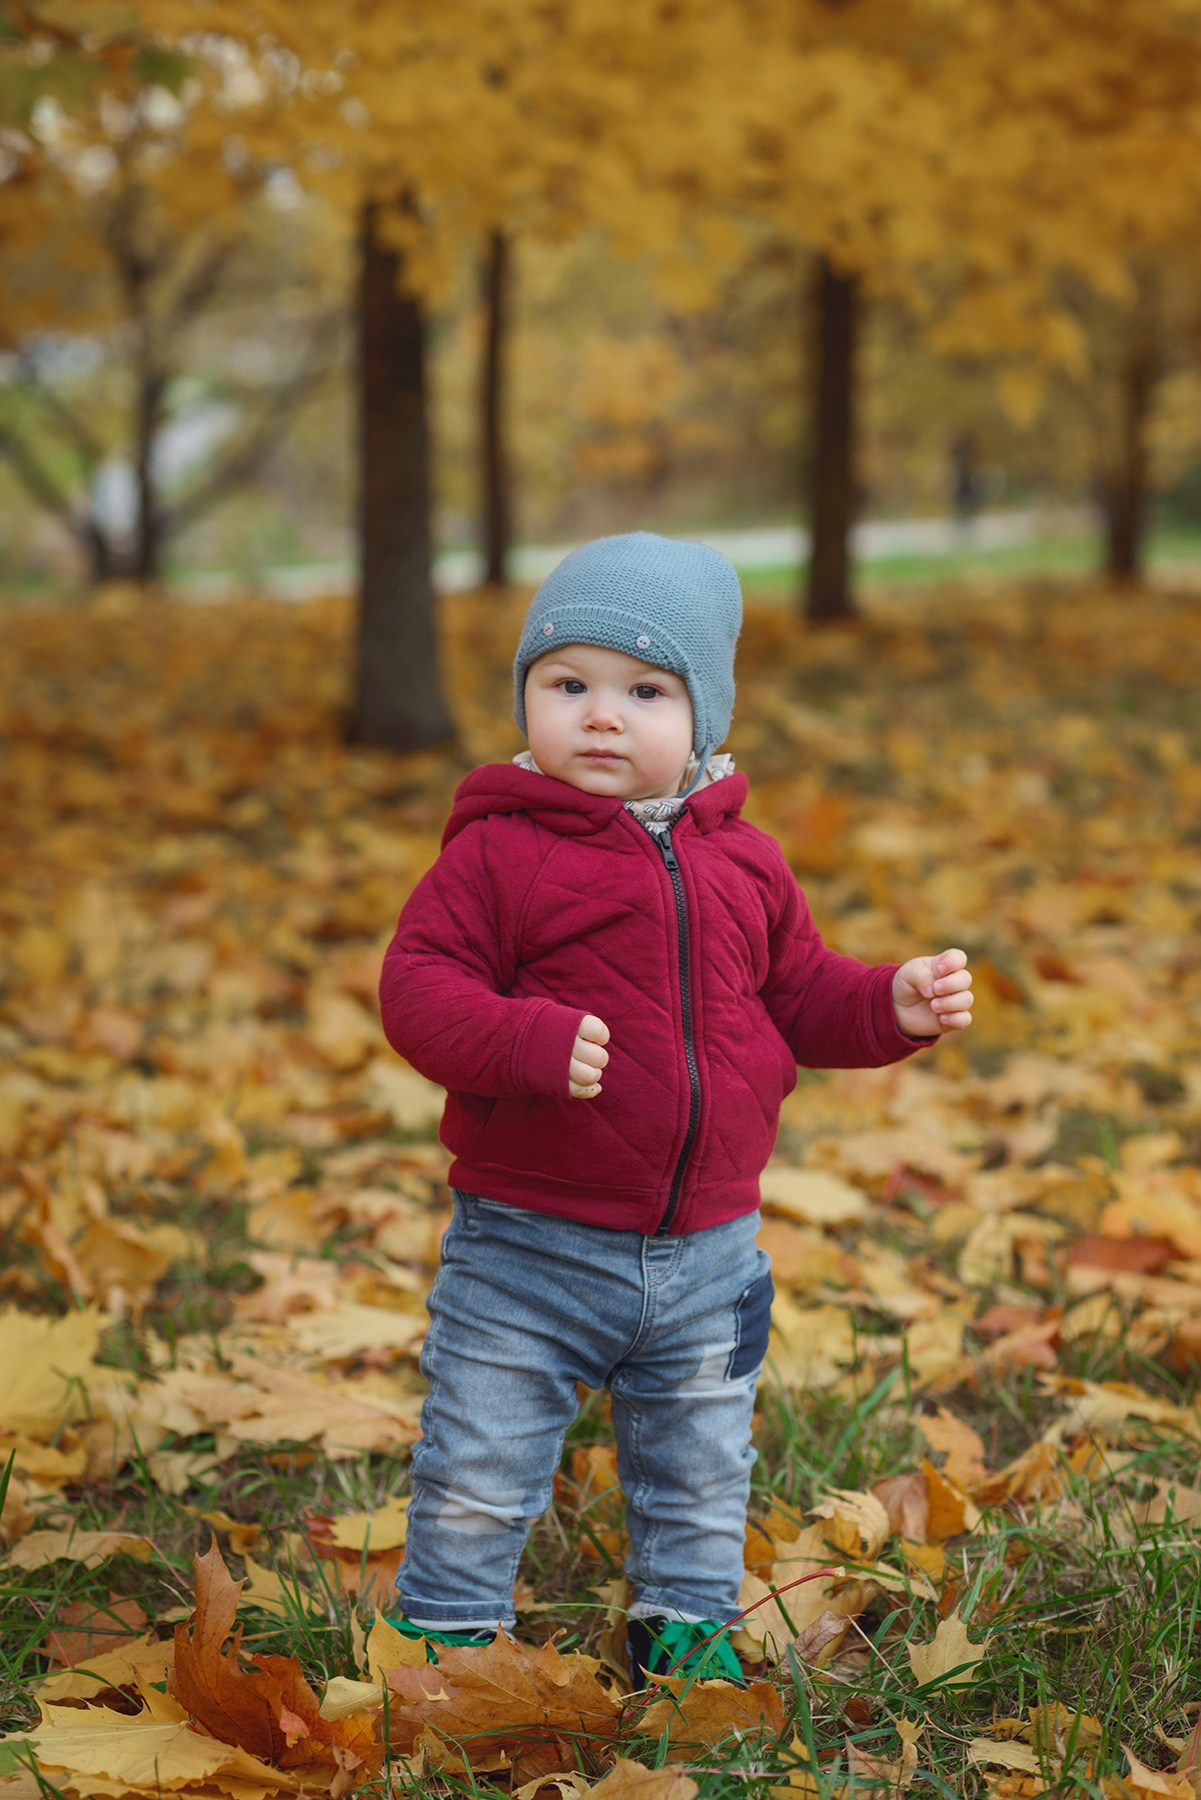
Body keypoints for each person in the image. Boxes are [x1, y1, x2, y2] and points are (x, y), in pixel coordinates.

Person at [378, 531, 973, 1686]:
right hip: (529, 1248)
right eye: (569, 685)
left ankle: (683, 1628)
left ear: (702, 717)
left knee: (700, 1464)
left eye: (644, 691)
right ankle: (447, 1635)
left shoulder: (745, 861)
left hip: (707, 1253)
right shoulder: (499, 853)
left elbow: (800, 993)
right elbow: (419, 990)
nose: (602, 716)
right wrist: (526, 1040)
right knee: (481, 1456)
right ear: (529, 701)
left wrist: (889, 1004)